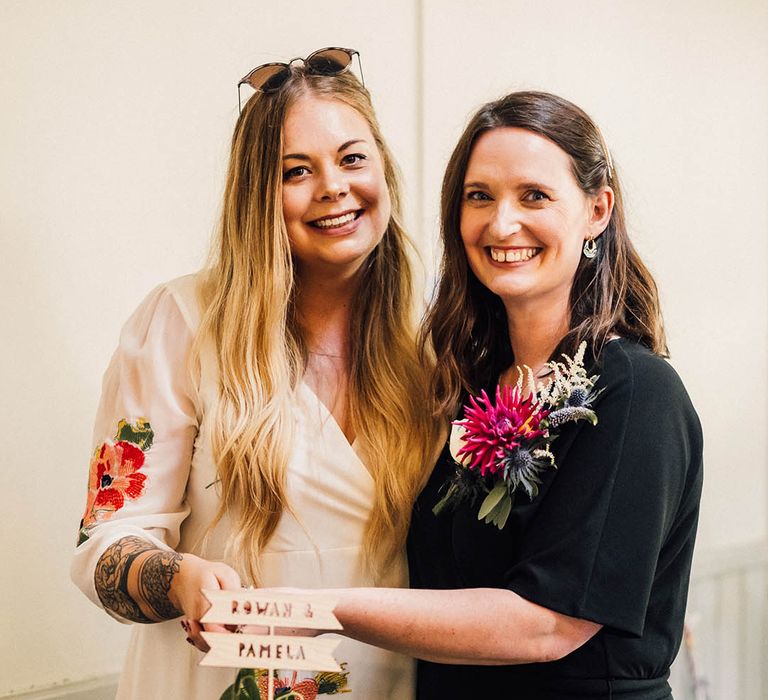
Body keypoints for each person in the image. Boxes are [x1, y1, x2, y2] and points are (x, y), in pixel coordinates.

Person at [262, 91, 703, 700]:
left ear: (597, 210)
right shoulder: (463, 385)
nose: (501, 224)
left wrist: (311, 609)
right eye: (480, 197)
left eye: (534, 196)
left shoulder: (634, 392)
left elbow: (548, 625)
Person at [71, 47, 435, 700]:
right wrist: (177, 579)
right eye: (297, 170)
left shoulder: (432, 340)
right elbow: (106, 546)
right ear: (256, 194)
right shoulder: (182, 323)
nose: (333, 186)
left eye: (352, 158)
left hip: (388, 682)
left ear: (383, 166)